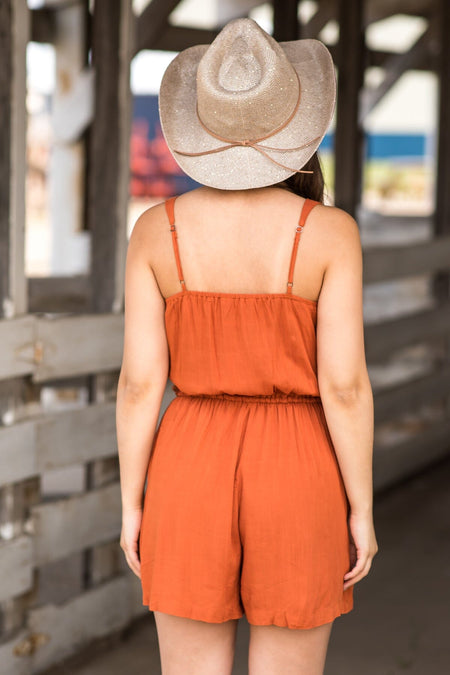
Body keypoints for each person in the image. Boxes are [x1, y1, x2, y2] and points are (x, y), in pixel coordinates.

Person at [116, 17, 378, 675]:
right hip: (299, 466)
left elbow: (140, 384)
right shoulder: (329, 234)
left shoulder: (155, 231)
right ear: (293, 124)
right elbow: (344, 386)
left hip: (187, 464)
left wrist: (131, 501)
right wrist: (362, 506)